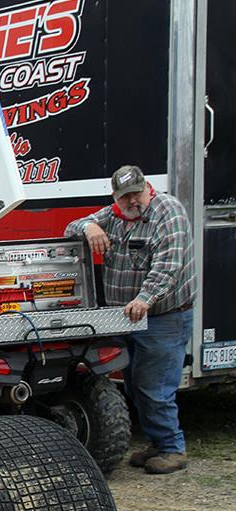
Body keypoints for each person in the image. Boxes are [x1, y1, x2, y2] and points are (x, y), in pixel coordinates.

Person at [65, 165, 197, 474]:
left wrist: (145, 299)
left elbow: (169, 265)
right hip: (127, 319)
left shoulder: (169, 212)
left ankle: (172, 448)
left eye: (137, 194)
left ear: (148, 188)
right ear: (116, 197)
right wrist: (88, 227)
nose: (133, 202)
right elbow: (69, 227)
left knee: (155, 388)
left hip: (162, 317)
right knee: (136, 386)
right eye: (125, 197)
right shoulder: (111, 216)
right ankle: (157, 443)